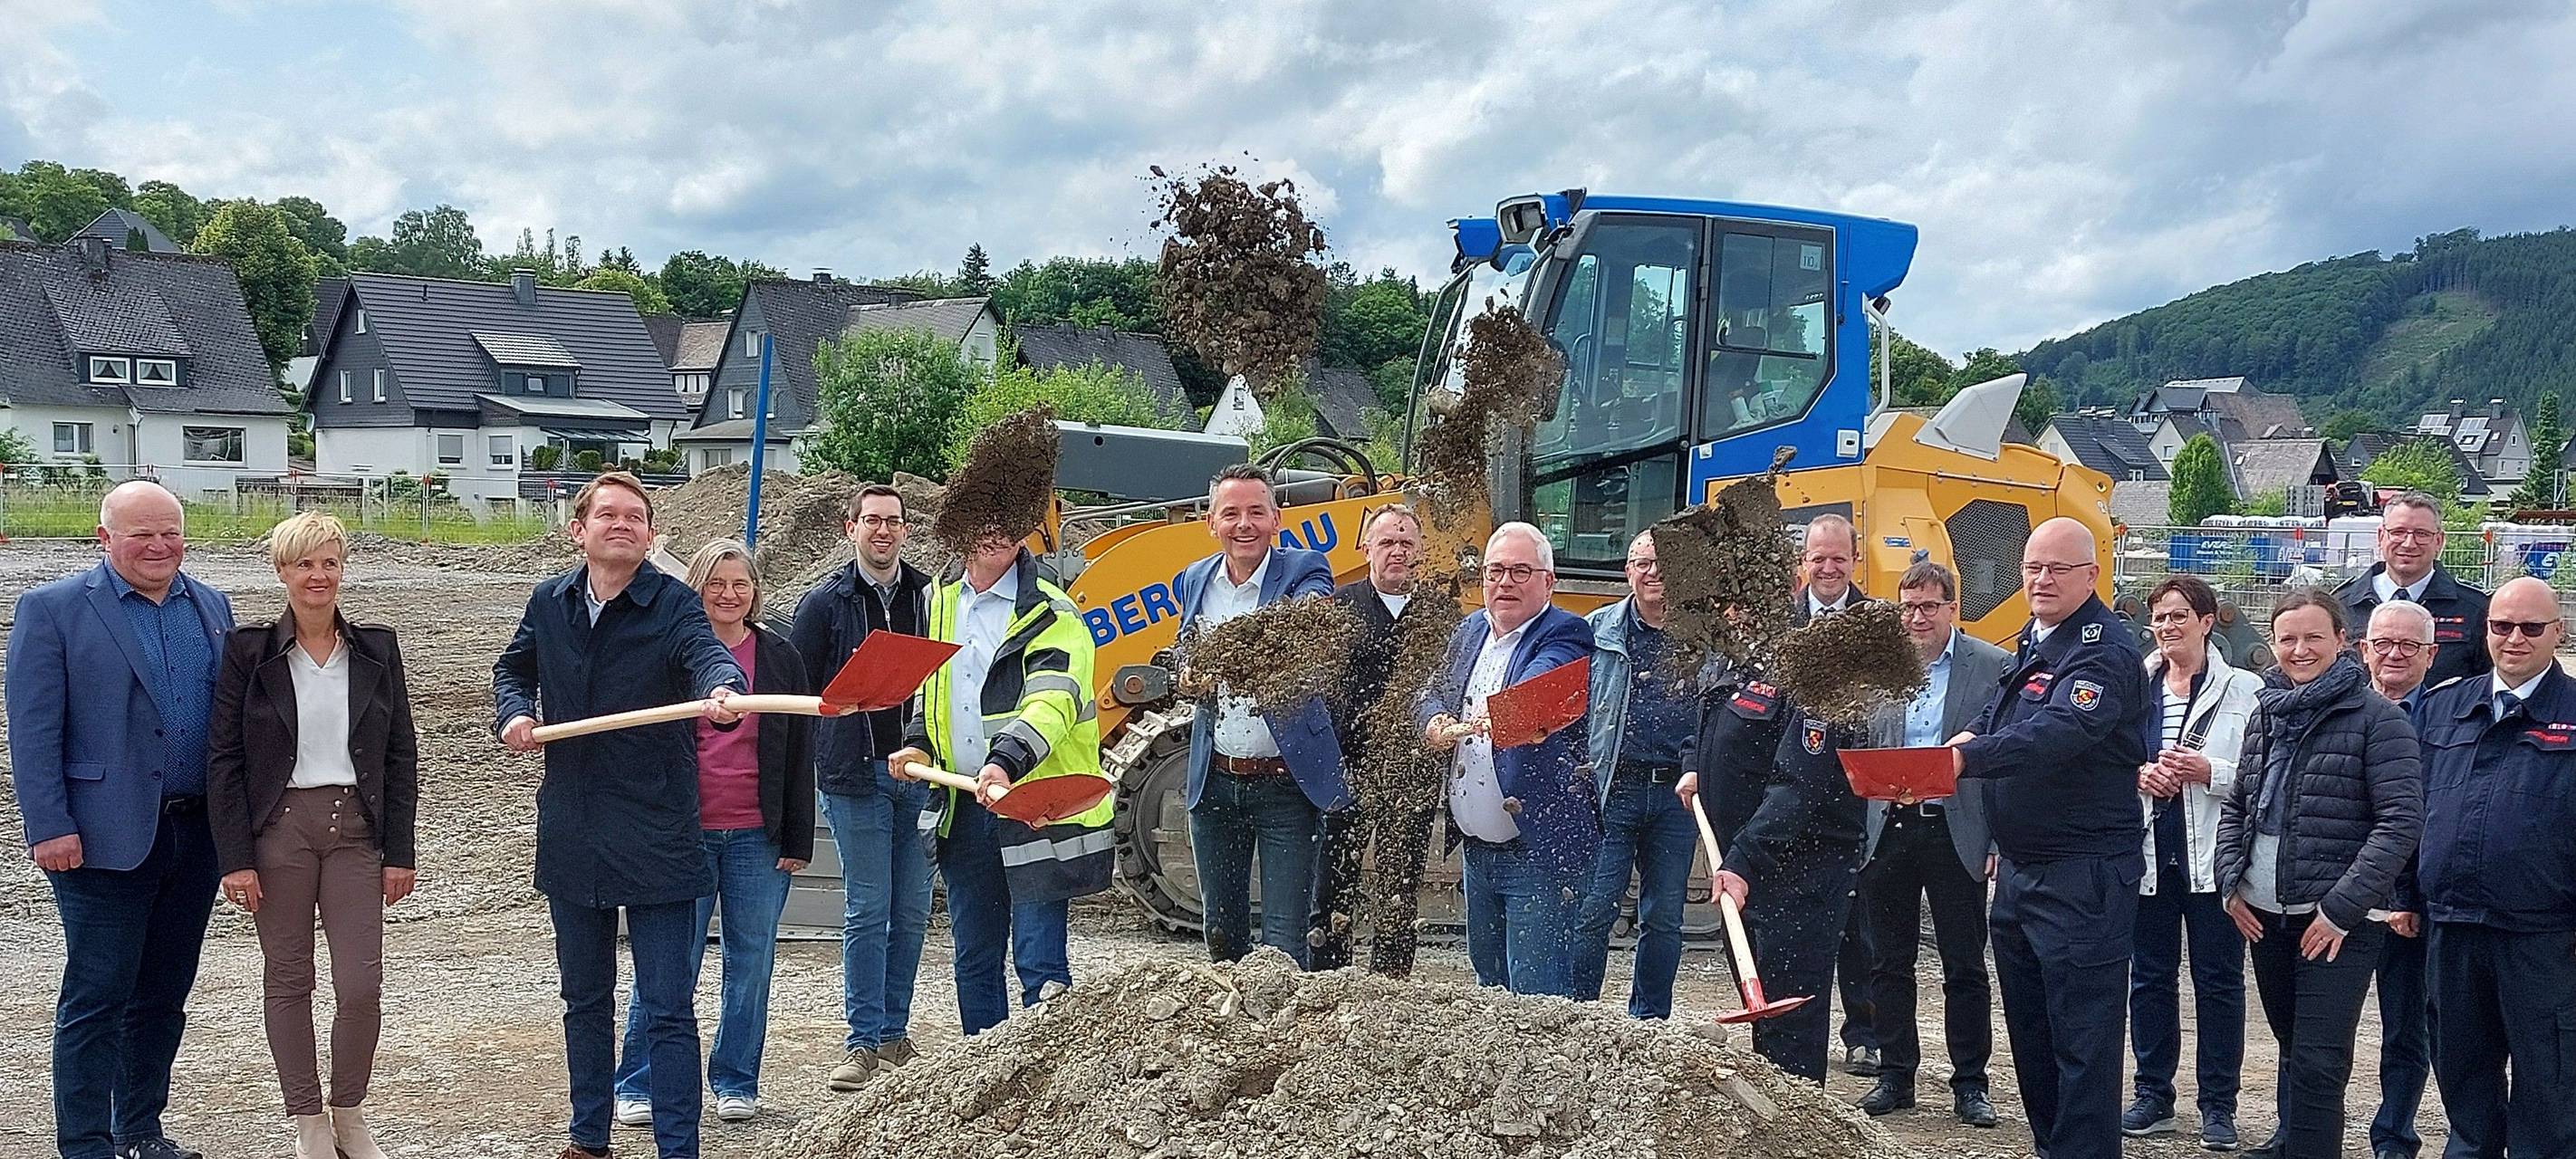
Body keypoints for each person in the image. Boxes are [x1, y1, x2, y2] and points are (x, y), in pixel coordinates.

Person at [493, 472, 747, 1159]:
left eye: (637, 517)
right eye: (608, 514)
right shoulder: (549, 602)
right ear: (579, 530)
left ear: (651, 535)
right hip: (574, 831)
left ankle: (677, 1148)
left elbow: (708, 657)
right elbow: (512, 669)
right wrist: (515, 712)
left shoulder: (673, 605)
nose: (623, 524)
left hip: (658, 833)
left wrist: (723, 689)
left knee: (666, 1009)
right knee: (585, 1001)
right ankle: (588, 1138)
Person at [7, 481, 234, 1159]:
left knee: (163, 995)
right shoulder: (51, 611)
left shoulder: (213, 605)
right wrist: (48, 824)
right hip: (100, 839)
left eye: (170, 531)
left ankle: (140, 1132)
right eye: (141, 534)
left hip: (195, 839)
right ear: (104, 538)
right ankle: (85, 1145)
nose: (159, 546)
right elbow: (34, 728)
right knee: (98, 997)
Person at [206, 512, 418, 1159]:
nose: (317, 575)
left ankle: (349, 1109)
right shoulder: (249, 651)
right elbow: (223, 759)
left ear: (342, 568)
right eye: (304, 563)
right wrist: (236, 858)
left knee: (360, 983)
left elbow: (401, 754)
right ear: (282, 572)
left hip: (356, 830)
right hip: (279, 833)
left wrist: (400, 852)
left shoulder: (376, 649)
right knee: (289, 977)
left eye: (328, 562)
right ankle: (308, 1120)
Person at [1946, 517, 2149, 1159]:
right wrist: (1958, 745)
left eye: (2057, 568)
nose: (2041, 579)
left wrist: (1967, 761)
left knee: (2082, 1045)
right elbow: (1997, 714)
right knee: (2031, 1037)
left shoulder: (2104, 651)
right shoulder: (2035, 642)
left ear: (2091, 575)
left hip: (2082, 876)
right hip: (2021, 871)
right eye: (2032, 567)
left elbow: (2059, 732)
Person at [612, 541, 815, 1126]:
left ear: (755, 592)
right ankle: (638, 1082)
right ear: (696, 586)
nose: (729, 594)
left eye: (741, 584)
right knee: (668, 963)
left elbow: (800, 752)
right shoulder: (671, 653)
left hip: (758, 835)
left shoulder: (780, 656)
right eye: (716, 582)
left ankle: (735, 1080)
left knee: (750, 964)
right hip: (683, 834)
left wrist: (798, 840)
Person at [2215, 590, 2421, 1159]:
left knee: (2319, 1061)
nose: (2299, 650)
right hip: (2265, 914)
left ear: (2342, 643)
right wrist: (2232, 881)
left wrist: (2339, 910)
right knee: (2291, 1047)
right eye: (2287, 638)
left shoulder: (2379, 720)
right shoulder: (2266, 711)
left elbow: (2400, 825)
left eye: (2312, 638)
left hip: (2337, 922)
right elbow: (2239, 805)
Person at [890, 534, 1115, 1033]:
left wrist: (1005, 763)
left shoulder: (1054, 612)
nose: (993, 532)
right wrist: (918, 741)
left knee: (1039, 965)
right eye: (982, 518)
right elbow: (937, 688)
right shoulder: (939, 600)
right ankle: (985, 1080)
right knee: (975, 959)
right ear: (959, 525)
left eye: (1006, 519)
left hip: (1033, 806)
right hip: (964, 805)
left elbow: (1052, 702)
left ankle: (1046, 1093)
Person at [2416, 576, 2574, 1157]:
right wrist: (2408, 898)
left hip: (2542, 936)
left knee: (2550, 1091)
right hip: (2453, 928)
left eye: (2531, 628)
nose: (2514, 638)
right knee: (2463, 1081)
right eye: (2501, 626)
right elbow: (2416, 809)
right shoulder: (2444, 707)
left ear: (2558, 633)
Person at [788, 484, 937, 1089]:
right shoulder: (825, 602)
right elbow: (799, 692)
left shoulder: (930, 597)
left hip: (921, 773)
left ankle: (895, 1035)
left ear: (906, 530)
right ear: (849, 528)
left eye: (893, 522)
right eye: (871, 520)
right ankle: (862, 1043)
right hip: (857, 775)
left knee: (913, 910)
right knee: (869, 908)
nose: (883, 531)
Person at [1851, 560, 2010, 1126]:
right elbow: (1865, 740)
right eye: (1908, 607)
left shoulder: (1992, 667)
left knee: (1964, 962)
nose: (1917, 618)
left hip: (1955, 828)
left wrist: (1995, 837)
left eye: (1928, 607)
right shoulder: (1877, 670)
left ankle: (1970, 1083)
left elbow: (2001, 759)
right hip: (1888, 827)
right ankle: (1896, 1076)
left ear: (1952, 608)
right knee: (1888, 961)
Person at [1175, 463, 1349, 965]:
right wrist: (1189, 672)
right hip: (1216, 781)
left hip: (1286, 785)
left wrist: (1231, 653)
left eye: (1256, 512)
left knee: (1284, 940)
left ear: (1276, 520)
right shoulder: (1194, 579)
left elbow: (1309, 618)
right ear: (1211, 523)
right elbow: (1187, 648)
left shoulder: (1305, 569)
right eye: (1230, 514)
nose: (1243, 524)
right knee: (1222, 933)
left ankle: (1288, 1042)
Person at [1420, 522, 1596, 996]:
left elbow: (1535, 693)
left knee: (1538, 1001)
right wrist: (1435, 718)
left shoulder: (1566, 633)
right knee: (1490, 990)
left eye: (1521, 571)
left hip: (1536, 850)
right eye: (1495, 570)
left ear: (1548, 581)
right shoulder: (1470, 629)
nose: (1505, 582)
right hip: (1478, 852)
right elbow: (1434, 689)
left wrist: (1489, 714)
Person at [2122, 574, 2260, 1149]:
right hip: (2152, 856)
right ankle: (2154, 1093)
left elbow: (2263, 772)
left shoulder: (2245, 690)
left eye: (2180, 616)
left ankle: (2218, 1105)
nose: (2168, 626)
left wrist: (2211, 773)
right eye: (2160, 616)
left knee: (2219, 982)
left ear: (2208, 623)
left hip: (2213, 858)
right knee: (2149, 980)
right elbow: (2110, 756)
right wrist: (2139, 776)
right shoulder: (2135, 685)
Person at [1572, 530, 1702, 1019]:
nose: (1654, 574)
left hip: (1677, 793)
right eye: (1644, 563)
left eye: (1664, 565)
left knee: (1664, 917)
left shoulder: (1701, 639)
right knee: (1593, 909)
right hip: (1613, 788)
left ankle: (1649, 1021)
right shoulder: (1597, 631)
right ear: (1628, 571)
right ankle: (1580, 1018)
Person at [1310, 503, 1422, 971]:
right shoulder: (1340, 606)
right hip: (1347, 768)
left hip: (1411, 772)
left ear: (1421, 552)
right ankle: (1326, 982)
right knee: (1332, 883)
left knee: (1399, 890)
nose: (1397, 552)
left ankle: (1391, 988)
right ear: (1367, 549)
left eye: (1407, 544)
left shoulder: (1439, 612)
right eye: (1387, 543)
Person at [1790, 512, 1880, 1077]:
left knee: (1859, 924)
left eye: (1839, 558)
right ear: (1805, 561)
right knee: (1799, 925)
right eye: (1818, 558)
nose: (1829, 567)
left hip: (1855, 796)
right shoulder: (1780, 624)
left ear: (1854, 560)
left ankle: (1864, 1033)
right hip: (1793, 793)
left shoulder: (1876, 626)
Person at [2355, 600, 2439, 1159]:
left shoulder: (2452, 721)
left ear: (2430, 656)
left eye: (2409, 646)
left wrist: (2406, 895)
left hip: (2411, 905)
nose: (2394, 655)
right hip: (2339, 898)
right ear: (2363, 649)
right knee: (2313, 1031)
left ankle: (2394, 1135)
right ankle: (2299, 1130)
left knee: (2407, 1029)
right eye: (2383, 643)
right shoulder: (2339, 711)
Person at [2332, 492, 2488, 691]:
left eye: (2421, 534)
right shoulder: (2341, 605)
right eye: (2398, 532)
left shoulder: (2475, 608)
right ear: (2381, 536)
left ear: (2439, 541)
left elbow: (2486, 683)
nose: (2408, 543)